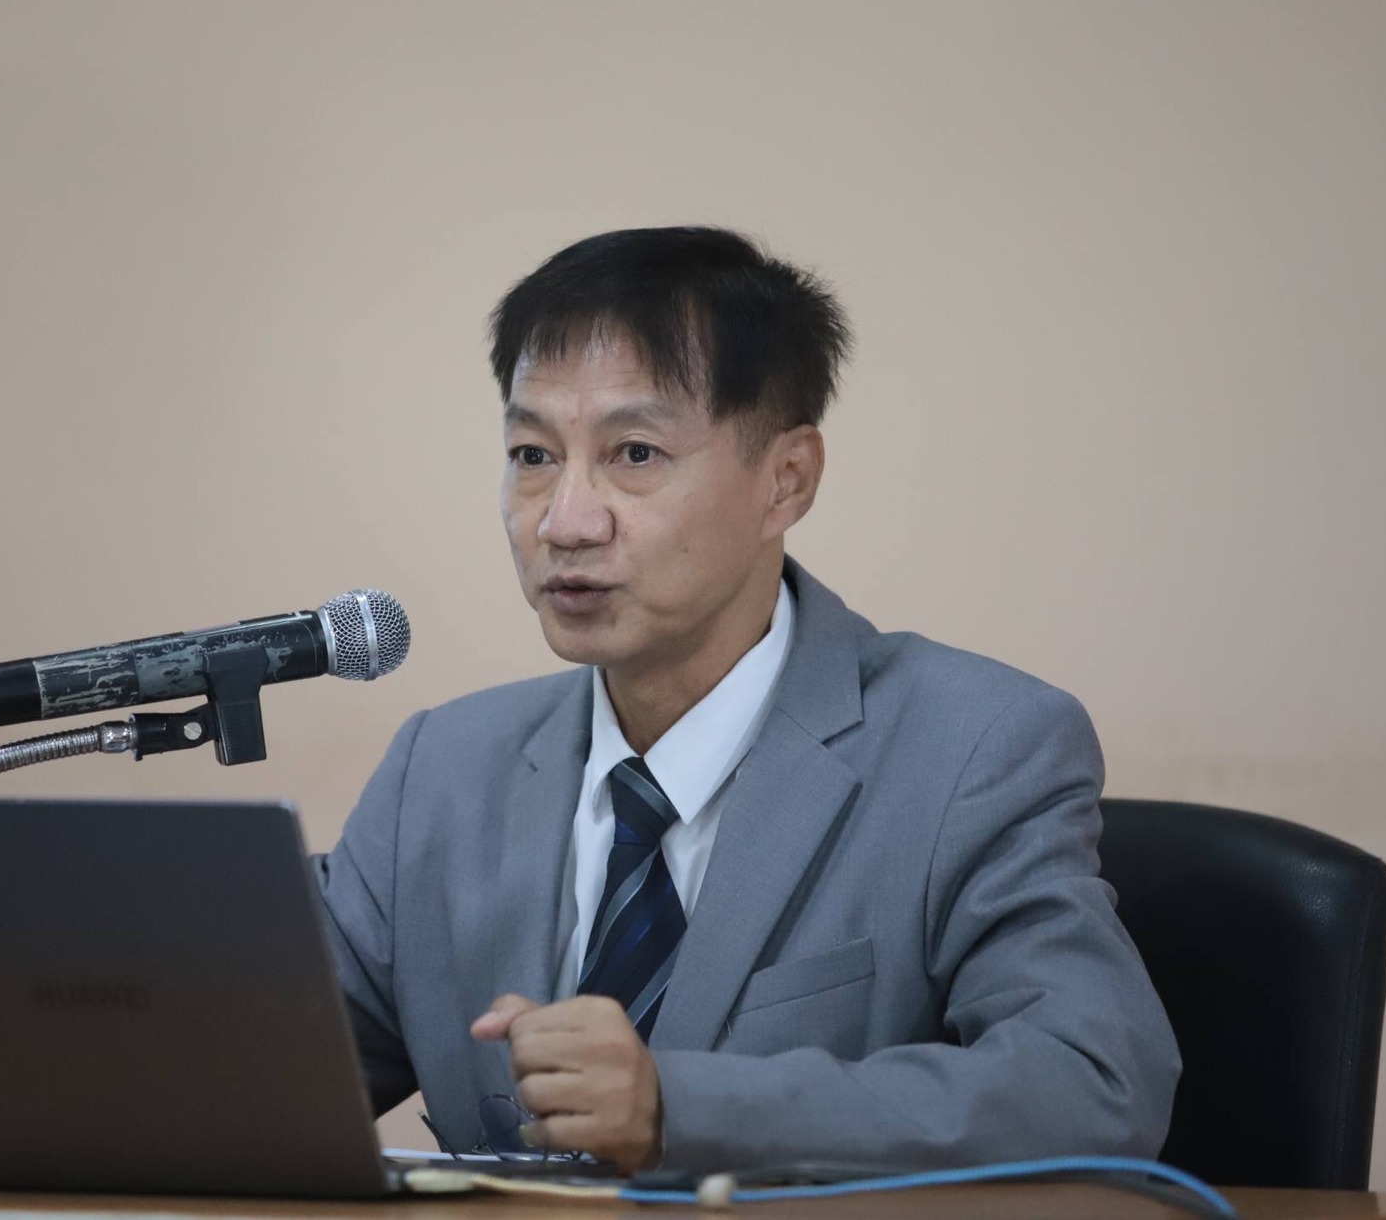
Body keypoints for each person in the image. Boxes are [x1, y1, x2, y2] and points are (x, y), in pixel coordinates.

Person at [317, 226, 1179, 1175]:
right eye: (532, 454)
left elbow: (1095, 1084)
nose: (565, 521)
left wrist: (679, 1108)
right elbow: (255, 1071)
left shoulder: (974, 748)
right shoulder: (441, 769)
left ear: (786, 480)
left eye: (634, 452)